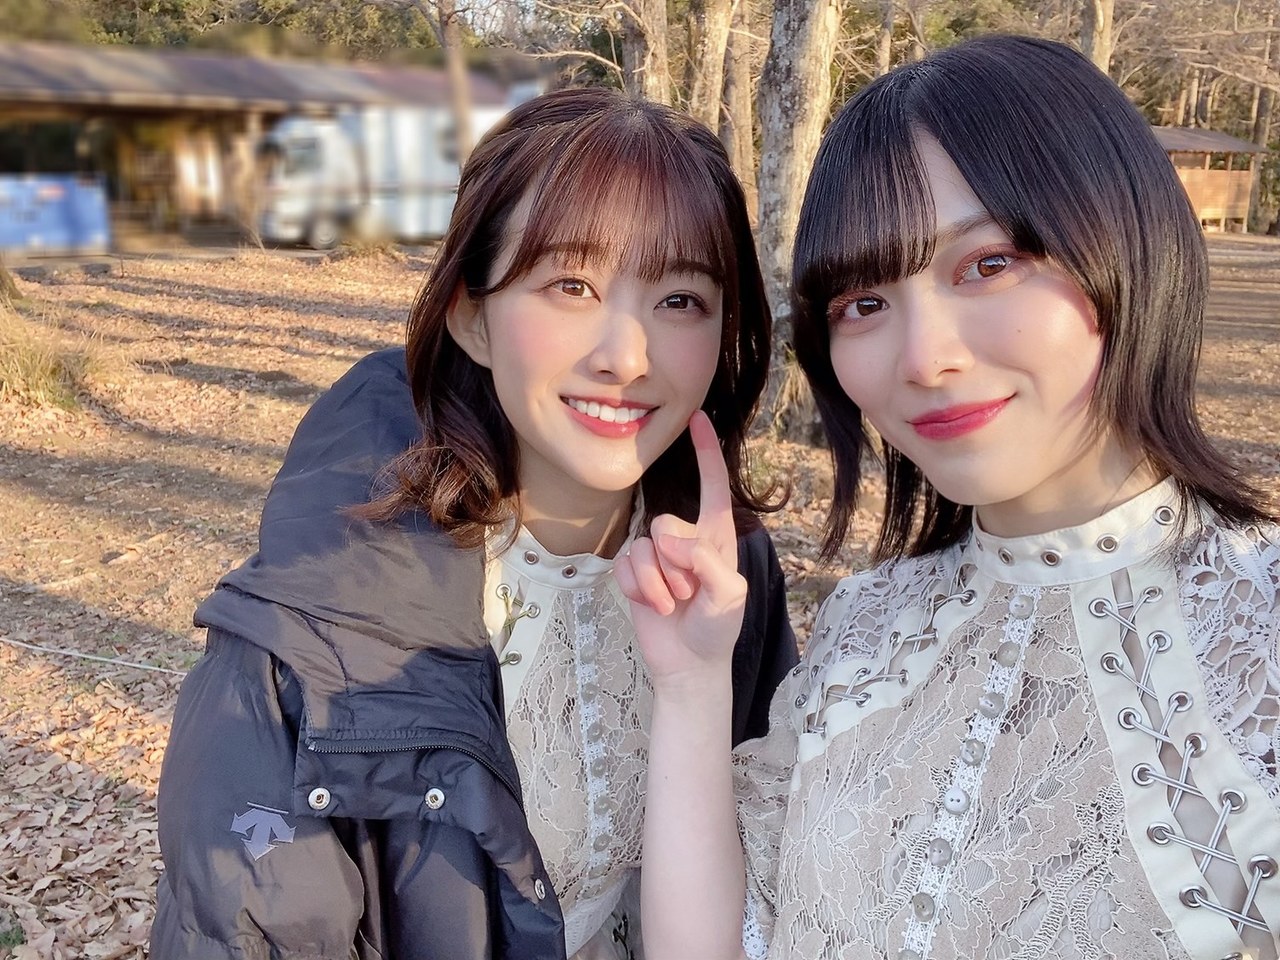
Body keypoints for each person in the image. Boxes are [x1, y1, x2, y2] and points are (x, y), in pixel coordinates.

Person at [620, 35, 1280, 960]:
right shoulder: (862, 632)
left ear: (1128, 239)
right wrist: (692, 687)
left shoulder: (1260, 626)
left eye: (988, 264)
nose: (925, 359)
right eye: (863, 304)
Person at [150, 87, 797, 960]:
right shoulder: (314, 637)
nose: (627, 356)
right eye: (571, 285)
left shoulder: (724, 575)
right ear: (472, 316)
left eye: (680, 298)